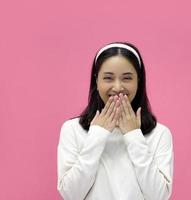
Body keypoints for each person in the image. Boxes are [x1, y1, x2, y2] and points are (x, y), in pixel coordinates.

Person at [57, 42, 174, 200]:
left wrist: (133, 135)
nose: (118, 87)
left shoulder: (159, 133)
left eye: (127, 78)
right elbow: (71, 194)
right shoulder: (72, 129)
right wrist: (97, 135)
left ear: (138, 82)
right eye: (108, 78)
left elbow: (159, 196)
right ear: (96, 81)